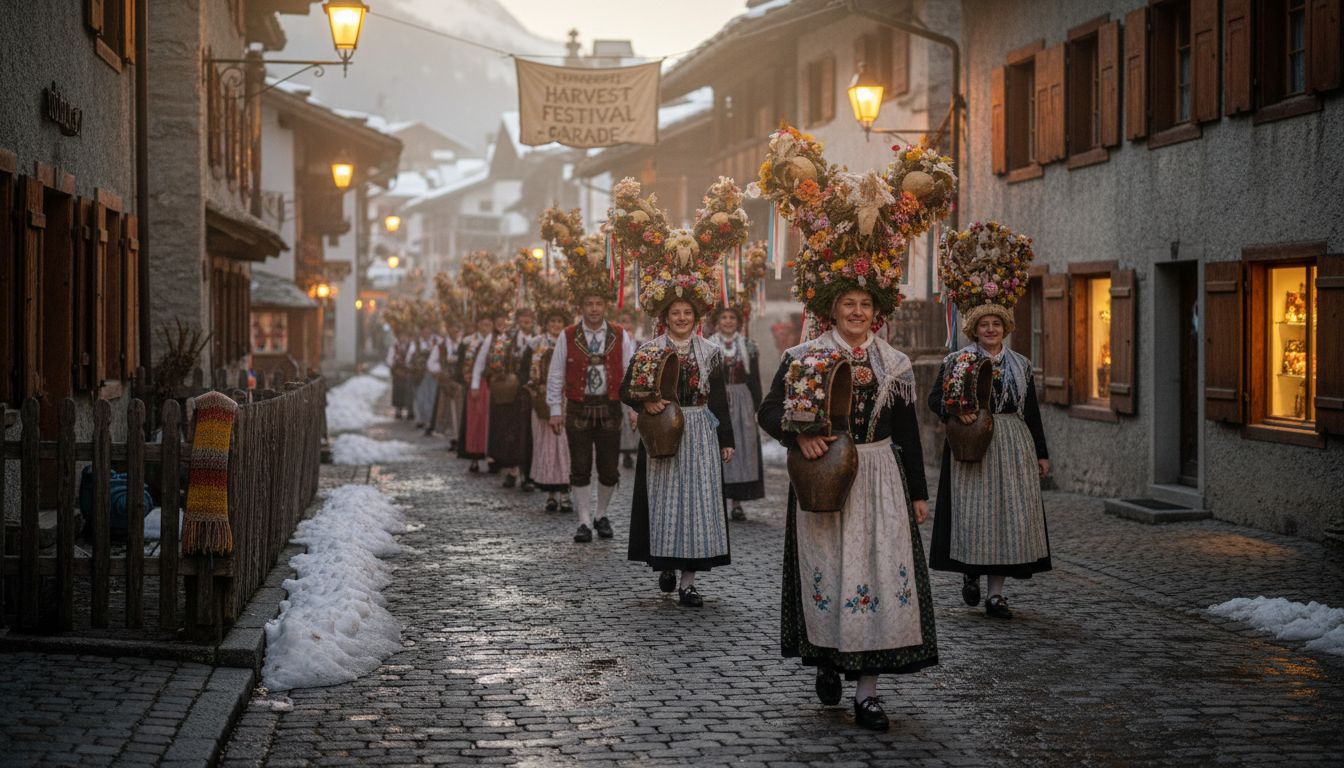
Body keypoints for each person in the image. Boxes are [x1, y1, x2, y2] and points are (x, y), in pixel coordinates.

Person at [758, 289, 937, 731]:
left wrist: (918, 492)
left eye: (865, 305)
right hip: (823, 475)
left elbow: (909, 434)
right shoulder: (803, 356)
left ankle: (868, 694)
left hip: (879, 478)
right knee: (832, 569)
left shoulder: (894, 363)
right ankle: (827, 655)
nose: (857, 312)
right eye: (848, 304)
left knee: (875, 573)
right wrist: (798, 437)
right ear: (833, 310)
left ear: (876, 313)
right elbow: (769, 411)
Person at [928, 306, 1051, 620]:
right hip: (971, 442)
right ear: (975, 329)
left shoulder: (1021, 365)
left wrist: (1041, 453)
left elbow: (1032, 411)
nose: (991, 329)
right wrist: (955, 411)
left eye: (997, 324)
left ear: (1005, 327)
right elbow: (934, 400)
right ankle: (970, 572)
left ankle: (996, 595)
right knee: (974, 512)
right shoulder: (957, 362)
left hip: (1011, 442)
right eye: (985, 325)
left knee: (1006, 519)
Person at [622, 299, 735, 607]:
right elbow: (625, 390)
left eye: (688, 313)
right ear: (665, 317)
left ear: (696, 317)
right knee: (665, 501)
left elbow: (720, 401)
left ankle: (688, 583)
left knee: (697, 504)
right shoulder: (649, 350)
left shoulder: (709, 352)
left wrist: (727, 439)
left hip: (700, 432)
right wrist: (645, 403)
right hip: (662, 431)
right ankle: (666, 562)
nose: (682, 318)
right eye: (676, 313)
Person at [545, 294, 635, 543]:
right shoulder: (568, 334)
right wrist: (555, 409)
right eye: (589, 303)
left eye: (598, 304)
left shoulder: (620, 334)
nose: (594, 309)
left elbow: (630, 371)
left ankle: (601, 515)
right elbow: (556, 373)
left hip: (611, 406)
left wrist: (633, 408)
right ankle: (584, 520)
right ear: (581, 307)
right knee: (580, 466)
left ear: (605, 307)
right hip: (577, 407)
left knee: (608, 468)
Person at [707, 306, 764, 520]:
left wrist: (757, 408)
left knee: (740, 450)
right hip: (717, 402)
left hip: (742, 401)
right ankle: (715, 500)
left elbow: (755, 380)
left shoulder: (748, 347)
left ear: (738, 322)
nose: (728, 321)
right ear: (717, 321)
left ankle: (737, 503)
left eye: (732, 318)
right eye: (724, 317)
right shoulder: (709, 345)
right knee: (717, 447)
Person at [473, 309, 532, 487]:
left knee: (531, 434)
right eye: (522, 317)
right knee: (512, 432)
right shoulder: (504, 339)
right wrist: (484, 381)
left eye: (529, 317)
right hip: (511, 392)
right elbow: (487, 362)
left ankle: (528, 474)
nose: (526, 320)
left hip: (533, 392)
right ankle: (514, 470)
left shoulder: (539, 338)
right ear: (517, 320)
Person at [523, 308, 573, 514]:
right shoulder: (536, 344)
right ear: (546, 323)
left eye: (559, 320)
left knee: (565, 445)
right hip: (542, 402)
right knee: (544, 445)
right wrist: (534, 387)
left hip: (566, 400)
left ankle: (566, 493)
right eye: (552, 320)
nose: (555, 324)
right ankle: (551, 494)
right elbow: (524, 370)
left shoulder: (570, 342)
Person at [457, 315, 493, 471]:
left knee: (490, 420)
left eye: (488, 324)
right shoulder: (467, 342)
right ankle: (474, 455)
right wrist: (468, 379)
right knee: (475, 420)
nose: (486, 327)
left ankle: (492, 456)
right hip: (474, 384)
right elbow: (460, 365)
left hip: (491, 385)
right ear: (478, 324)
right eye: (483, 323)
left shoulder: (498, 341)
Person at [617, 309, 644, 470]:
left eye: (627, 321)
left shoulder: (639, 340)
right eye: (621, 322)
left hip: (638, 381)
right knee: (625, 419)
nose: (624, 325)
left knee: (638, 415)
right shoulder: (618, 340)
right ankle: (626, 452)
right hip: (623, 381)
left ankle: (638, 448)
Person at [426, 321, 461, 440]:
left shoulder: (463, 343)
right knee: (446, 409)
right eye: (452, 329)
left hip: (461, 382)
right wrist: (442, 370)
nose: (455, 332)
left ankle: (459, 436)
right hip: (446, 383)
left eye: (457, 329)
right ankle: (451, 436)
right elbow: (430, 363)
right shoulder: (441, 346)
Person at [410, 325, 439, 428]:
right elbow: (410, 359)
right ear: (421, 332)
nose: (427, 334)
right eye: (425, 332)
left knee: (431, 396)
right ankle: (419, 419)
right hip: (419, 374)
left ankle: (429, 419)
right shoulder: (416, 344)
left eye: (429, 332)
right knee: (419, 396)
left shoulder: (437, 341)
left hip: (432, 374)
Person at [387, 332, 413, 420]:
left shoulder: (411, 346)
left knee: (409, 391)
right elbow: (389, 360)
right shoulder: (394, 347)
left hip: (407, 372)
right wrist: (394, 363)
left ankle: (410, 411)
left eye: (405, 336)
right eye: (401, 336)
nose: (403, 338)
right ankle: (398, 411)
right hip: (398, 373)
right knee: (398, 391)